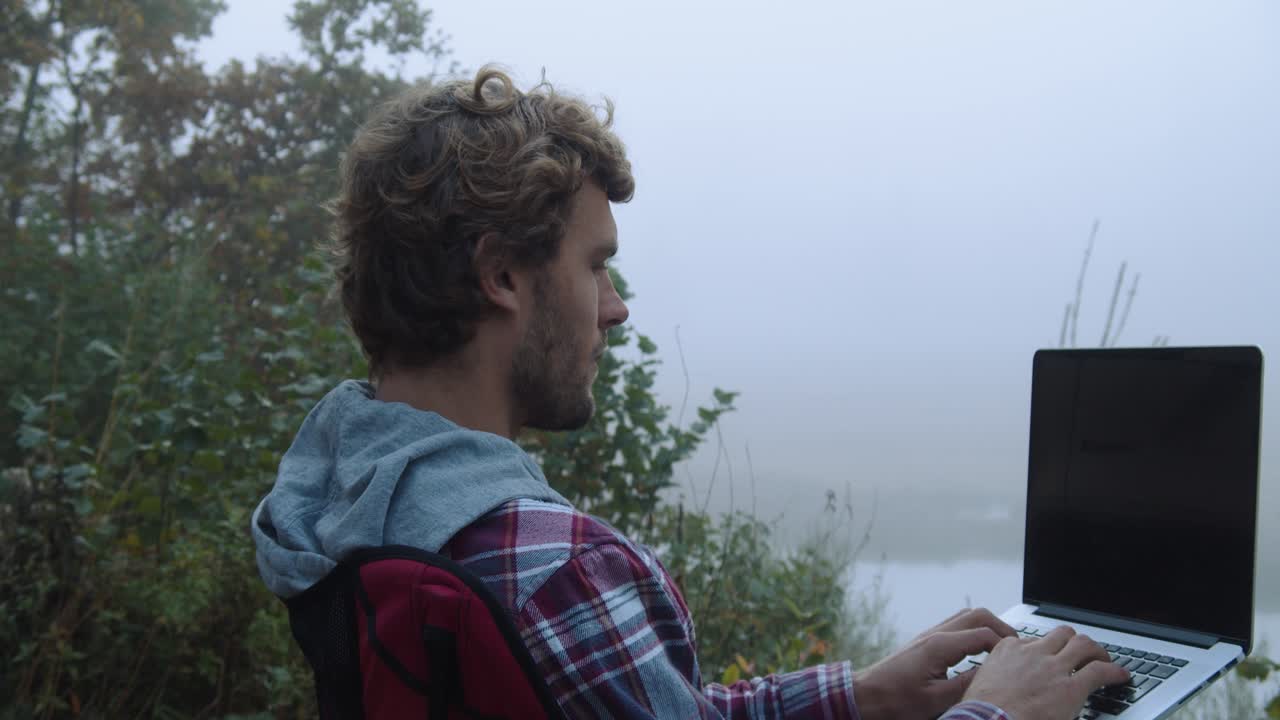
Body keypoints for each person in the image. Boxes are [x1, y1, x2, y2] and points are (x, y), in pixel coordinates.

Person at [250, 66, 1131, 719]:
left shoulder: (343, 509)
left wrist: (860, 696)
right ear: (502, 275)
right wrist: (1002, 712)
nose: (615, 308)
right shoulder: (556, 574)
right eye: (595, 265)